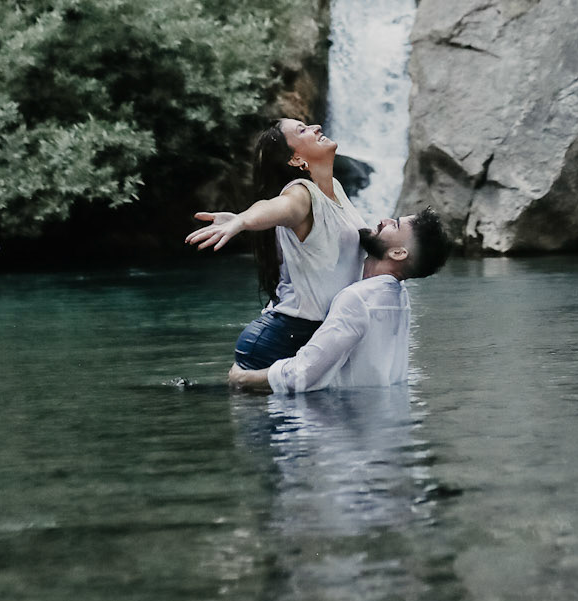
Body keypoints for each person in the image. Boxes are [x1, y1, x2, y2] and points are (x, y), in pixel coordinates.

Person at [186, 118, 365, 369]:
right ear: (295, 159)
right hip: (282, 340)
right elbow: (276, 206)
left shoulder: (335, 188)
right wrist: (242, 220)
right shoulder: (301, 194)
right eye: (302, 130)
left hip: (321, 335)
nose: (316, 128)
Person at [226, 210, 450, 396]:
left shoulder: (358, 299)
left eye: (395, 225)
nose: (384, 220)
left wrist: (243, 378)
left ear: (398, 253)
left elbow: (304, 373)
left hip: (340, 422)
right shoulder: (400, 298)